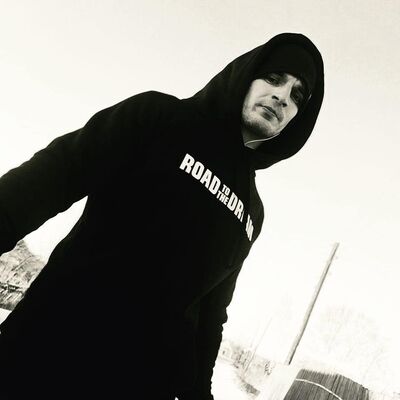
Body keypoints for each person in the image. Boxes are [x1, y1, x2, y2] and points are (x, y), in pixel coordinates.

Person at [0, 32, 324, 399]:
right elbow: (51, 178)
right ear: (245, 76)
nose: (282, 97)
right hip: (41, 360)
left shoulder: (252, 211)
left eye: (297, 96)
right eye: (274, 78)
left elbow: (210, 314)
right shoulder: (159, 118)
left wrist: (199, 393)